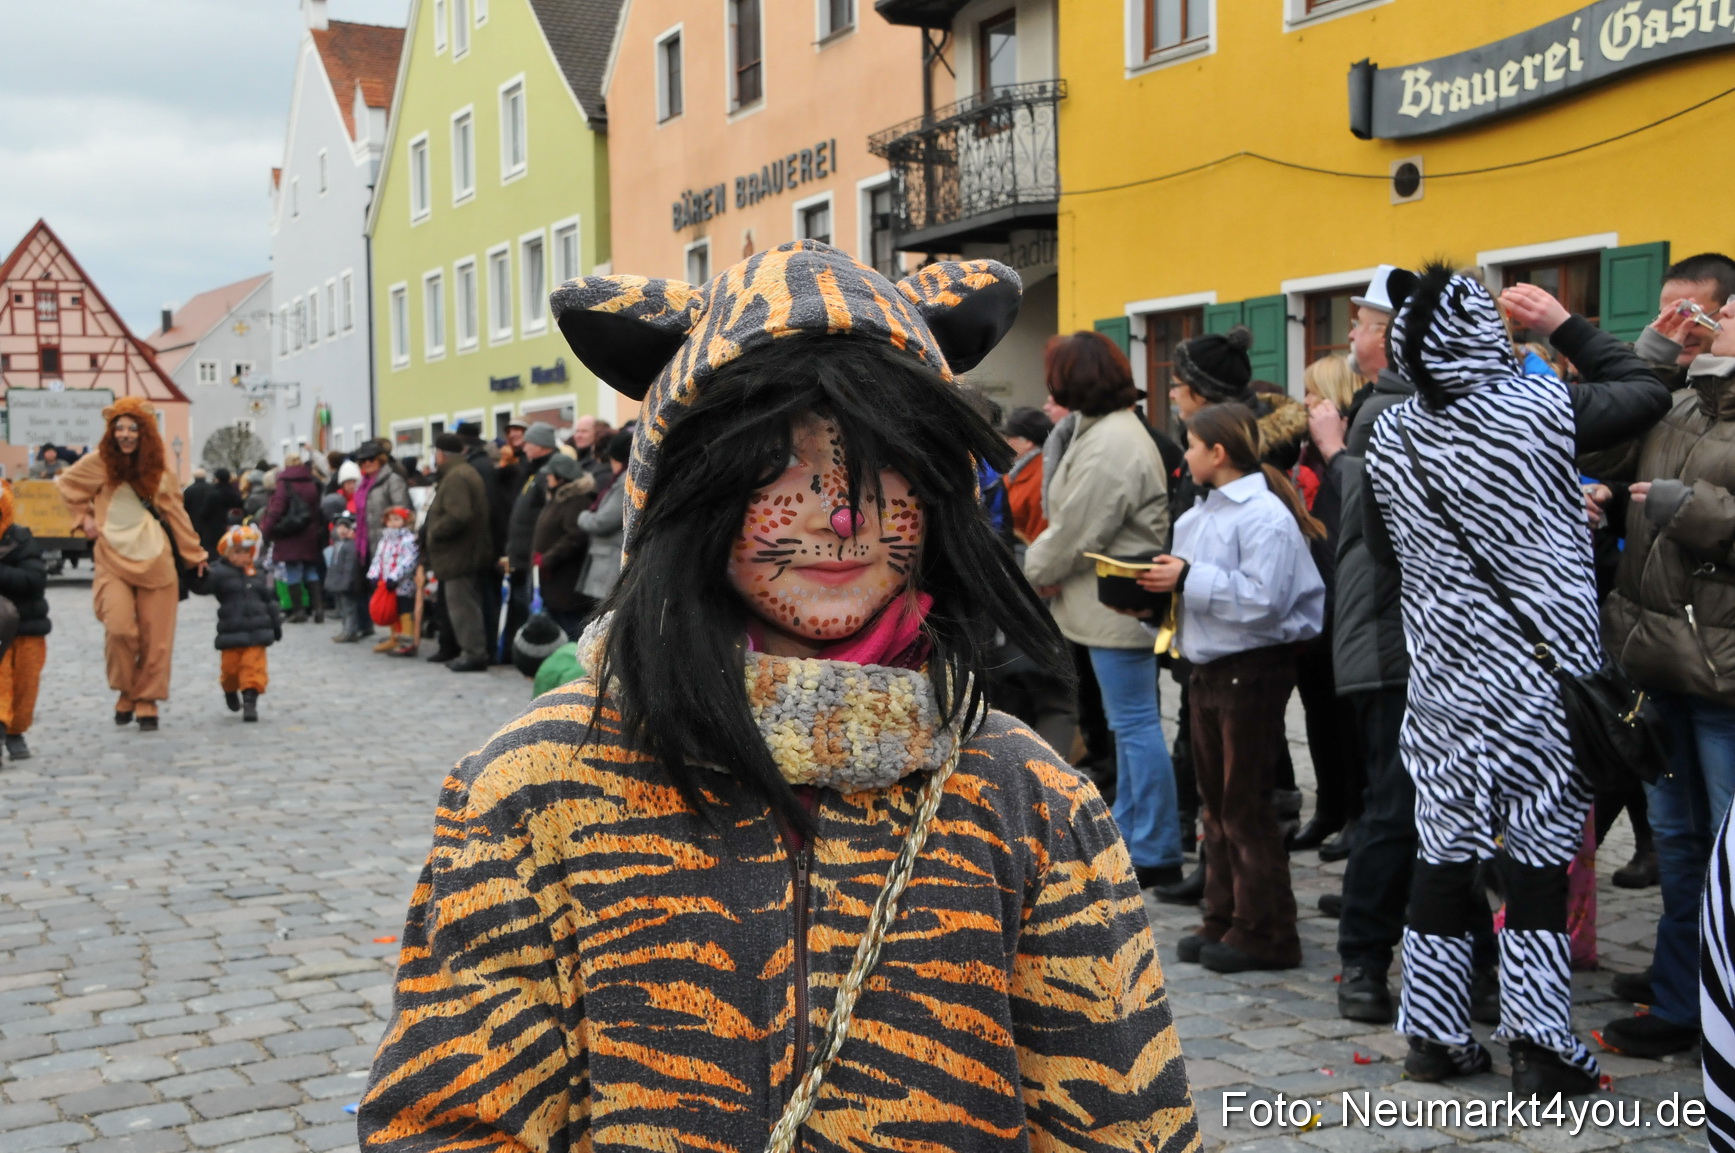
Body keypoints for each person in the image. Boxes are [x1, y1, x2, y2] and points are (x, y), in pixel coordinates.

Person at [359, 239, 1200, 1152]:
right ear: (689, 492)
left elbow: (1125, 1120)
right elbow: (448, 1123)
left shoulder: (1023, 796)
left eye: (886, 467)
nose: (841, 514)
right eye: (778, 465)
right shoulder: (539, 788)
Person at [1363, 266, 1671, 1095]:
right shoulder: (1537, 408)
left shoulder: (1388, 435)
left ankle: (1432, 1036)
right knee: (1537, 856)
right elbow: (1642, 387)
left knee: (1443, 846)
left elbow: (1384, 554)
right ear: (1480, 337)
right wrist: (1562, 324)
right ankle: (1538, 1043)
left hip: (1442, 682)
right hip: (1538, 682)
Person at [1589, 282, 1735, 1058]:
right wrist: (1648, 359)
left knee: (1726, 850)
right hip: (1654, 660)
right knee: (1676, 845)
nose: (1706, 319)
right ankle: (1684, 996)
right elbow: (1591, 447)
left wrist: (1692, 509)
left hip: (1723, 672)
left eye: (1723, 309)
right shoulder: (1678, 401)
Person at [1138, 403, 1324, 972]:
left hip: (1253, 670)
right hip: (1208, 669)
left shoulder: (1264, 515)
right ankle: (1224, 913)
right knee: (1215, 806)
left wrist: (1190, 579)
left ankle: (1267, 929)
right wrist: (1150, 599)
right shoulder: (1198, 516)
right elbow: (1195, 596)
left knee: (1244, 806)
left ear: (1217, 453)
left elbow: (1267, 598)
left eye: (1191, 445)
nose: (1184, 456)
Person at [1024, 331, 1180, 889]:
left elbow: (1077, 528)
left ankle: (1156, 844)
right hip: (1103, 602)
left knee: (1136, 725)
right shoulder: (1104, 430)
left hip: (1116, 603)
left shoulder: (1112, 441)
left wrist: (1033, 575)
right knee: (1127, 725)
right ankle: (1136, 831)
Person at [55, 397, 208, 731]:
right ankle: (125, 689)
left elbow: (176, 516)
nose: (125, 434)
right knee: (120, 629)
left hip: (156, 560)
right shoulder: (98, 463)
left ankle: (146, 699)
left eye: (132, 428)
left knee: (157, 638)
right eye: (119, 428)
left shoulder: (159, 472)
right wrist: (85, 518)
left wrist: (195, 554)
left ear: (145, 434)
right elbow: (66, 485)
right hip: (111, 557)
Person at [1288, 354, 1367, 860]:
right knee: (1318, 713)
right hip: (1312, 603)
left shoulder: (1348, 448)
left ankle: (1358, 814)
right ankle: (1330, 807)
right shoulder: (1306, 453)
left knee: (1349, 720)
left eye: (1315, 393)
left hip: (1343, 601)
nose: (1308, 403)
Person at [194, 524, 281, 723]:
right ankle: (230, 689)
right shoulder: (220, 573)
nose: (242, 557)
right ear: (227, 553)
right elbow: (203, 586)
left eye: (246, 552)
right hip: (231, 632)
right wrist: (195, 574)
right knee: (230, 670)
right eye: (237, 552)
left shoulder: (260, 574)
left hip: (258, 632)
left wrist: (275, 625)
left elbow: (270, 601)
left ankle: (250, 702)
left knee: (254, 670)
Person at [424, 433, 493, 672]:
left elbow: (459, 515)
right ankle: (465, 650)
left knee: (463, 607)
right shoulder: (462, 472)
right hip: (461, 553)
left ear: (441, 454)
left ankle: (474, 653)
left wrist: (434, 532)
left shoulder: (457, 476)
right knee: (460, 605)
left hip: (458, 555)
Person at [0, 481, 50, 762]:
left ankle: (15, 731)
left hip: (25, 627)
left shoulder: (21, 539)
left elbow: (33, 580)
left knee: (24, 685)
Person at [344, 440, 411, 644]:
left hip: (391, 545)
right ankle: (386, 632)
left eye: (370, 459)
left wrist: (393, 538)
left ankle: (402, 636)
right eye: (362, 460)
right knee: (376, 590)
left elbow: (402, 511)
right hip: (367, 544)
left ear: (380, 460)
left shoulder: (392, 480)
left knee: (396, 592)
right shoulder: (363, 484)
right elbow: (363, 514)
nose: (365, 463)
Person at [503, 422, 560, 655]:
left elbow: (547, 515)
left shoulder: (549, 471)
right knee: (523, 603)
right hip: (522, 553)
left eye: (528, 443)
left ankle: (538, 653)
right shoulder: (533, 470)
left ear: (540, 446)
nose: (524, 448)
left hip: (534, 554)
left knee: (534, 606)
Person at [529, 454, 596, 639]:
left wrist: (548, 558)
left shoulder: (577, 501)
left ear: (562, 476)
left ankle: (577, 666)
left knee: (571, 628)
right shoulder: (558, 498)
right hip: (552, 581)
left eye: (550, 474)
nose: (547, 478)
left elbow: (575, 535)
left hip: (567, 580)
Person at [259, 454, 323, 625]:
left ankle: (298, 611)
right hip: (309, 531)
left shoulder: (284, 483)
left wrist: (267, 529)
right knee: (310, 569)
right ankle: (318, 609)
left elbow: (277, 508)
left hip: (289, 533)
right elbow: (316, 508)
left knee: (292, 569)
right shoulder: (311, 481)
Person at [574, 430, 631, 608]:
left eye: (612, 460)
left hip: (609, 565)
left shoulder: (624, 482)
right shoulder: (622, 479)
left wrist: (583, 516)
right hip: (605, 562)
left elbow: (603, 521)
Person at [366, 507, 421, 657]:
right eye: (390, 519)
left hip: (402, 583)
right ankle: (394, 637)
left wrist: (395, 576)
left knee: (404, 609)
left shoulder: (408, 539)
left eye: (397, 519)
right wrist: (373, 574)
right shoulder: (385, 540)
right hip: (386, 582)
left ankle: (407, 640)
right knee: (392, 610)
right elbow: (378, 558)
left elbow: (409, 560)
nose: (392, 523)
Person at [1000, 406, 1052, 547]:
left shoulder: (1042, 478)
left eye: (1010, 437)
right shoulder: (1017, 470)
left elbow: (1038, 537)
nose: (1006, 442)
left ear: (1027, 441)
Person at [324, 512, 360, 642]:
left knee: (349, 609)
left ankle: (350, 631)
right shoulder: (338, 544)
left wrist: (346, 582)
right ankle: (346, 630)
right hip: (339, 582)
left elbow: (349, 567)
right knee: (344, 609)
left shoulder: (350, 546)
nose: (343, 531)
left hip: (346, 584)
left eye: (347, 528)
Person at [194, 467, 241, 554]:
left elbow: (204, 513)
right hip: (231, 530)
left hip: (213, 531)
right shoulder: (235, 494)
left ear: (217, 479)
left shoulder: (212, 494)